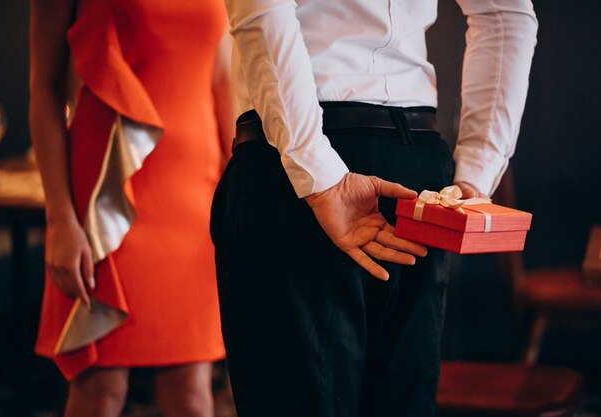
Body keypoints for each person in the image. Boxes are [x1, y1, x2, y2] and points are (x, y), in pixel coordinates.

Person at [210, 0, 537, 416]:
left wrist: (320, 175)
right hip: (415, 168)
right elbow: (505, 14)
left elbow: (264, 10)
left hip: (297, 162)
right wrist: (476, 172)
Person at [29, 0, 233, 416]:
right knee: (99, 390)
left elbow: (221, 79)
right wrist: (60, 220)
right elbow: (43, 92)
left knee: (193, 391)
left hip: (196, 198)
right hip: (109, 194)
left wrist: (240, 189)